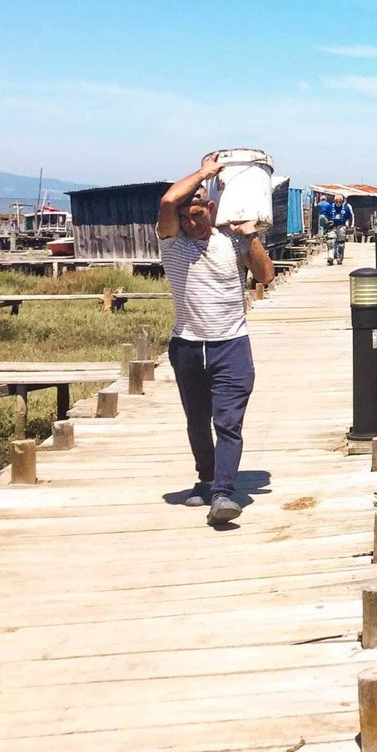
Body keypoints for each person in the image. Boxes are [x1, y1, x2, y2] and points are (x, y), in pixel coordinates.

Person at [156, 151, 275, 525]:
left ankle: (223, 492)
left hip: (231, 345)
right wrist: (205, 172)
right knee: (197, 420)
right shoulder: (171, 242)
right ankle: (206, 478)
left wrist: (250, 236)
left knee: (228, 421)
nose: (192, 221)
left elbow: (267, 275)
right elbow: (167, 200)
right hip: (188, 345)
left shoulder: (232, 241)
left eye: (198, 213)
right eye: (185, 216)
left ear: (211, 207)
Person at [327, 194, 354, 264]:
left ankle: (340, 258)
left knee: (341, 244)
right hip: (332, 227)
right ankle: (331, 257)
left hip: (341, 226)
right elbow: (324, 216)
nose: (338, 203)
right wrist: (327, 222)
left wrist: (350, 226)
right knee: (330, 242)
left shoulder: (346, 208)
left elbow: (350, 217)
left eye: (340, 202)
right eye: (337, 202)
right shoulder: (329, 207)